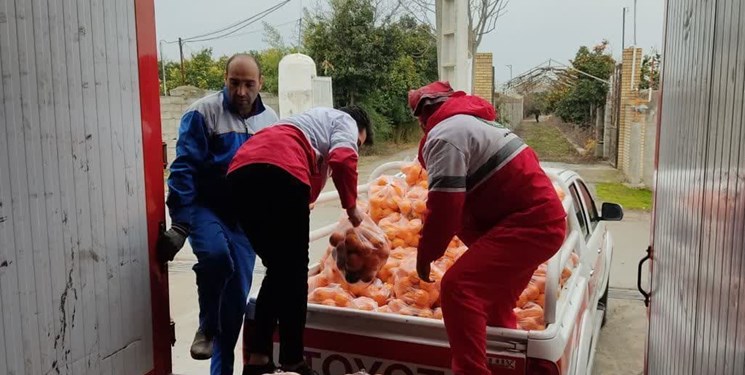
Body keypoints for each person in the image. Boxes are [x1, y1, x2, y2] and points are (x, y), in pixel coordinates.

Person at [407, 81, 566, 375]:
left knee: (458, 288)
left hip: (531, 224)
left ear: (423, 116)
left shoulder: (446, 135)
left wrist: (426, 253)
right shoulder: (470, 124)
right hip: (533, 223)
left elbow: (445, 207)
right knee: (494, 303)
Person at [226, 106, 373, 375]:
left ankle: (258, 359)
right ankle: (293, 359)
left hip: (239, 176)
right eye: (359, 142)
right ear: (357, 126)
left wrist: (303, 200)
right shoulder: (345, 120)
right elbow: (343, 159)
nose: (356, 147)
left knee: (280, 269)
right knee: (294, 272)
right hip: (281, 170)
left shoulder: (307, 123)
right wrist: (351, 208)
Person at [157, 54, 278, 375]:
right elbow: (184, 168)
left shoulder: (271, 122)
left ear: (260, 84)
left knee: (235, 307)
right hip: (206, 208)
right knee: (215, 258)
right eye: (234, 83)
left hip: (245, 222)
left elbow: (273, 174)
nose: (241, 91)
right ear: (225, 80)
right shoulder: (202, 112)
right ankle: (206, 327)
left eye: (248, 84)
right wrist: (181, 224)